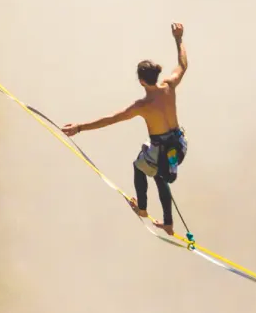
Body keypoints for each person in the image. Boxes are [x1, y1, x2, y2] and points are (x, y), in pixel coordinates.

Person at [62, 23, 189, 234]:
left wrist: (80, 128)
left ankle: (142, 208)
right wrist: (178, 38)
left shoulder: (142, 106)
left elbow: (111, 118)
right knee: (159, 174)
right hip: (179, 146)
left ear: (141, 81)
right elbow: (183, 65)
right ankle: (168, 223)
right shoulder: (169, 85)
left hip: (162, 152)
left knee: (140, 166)